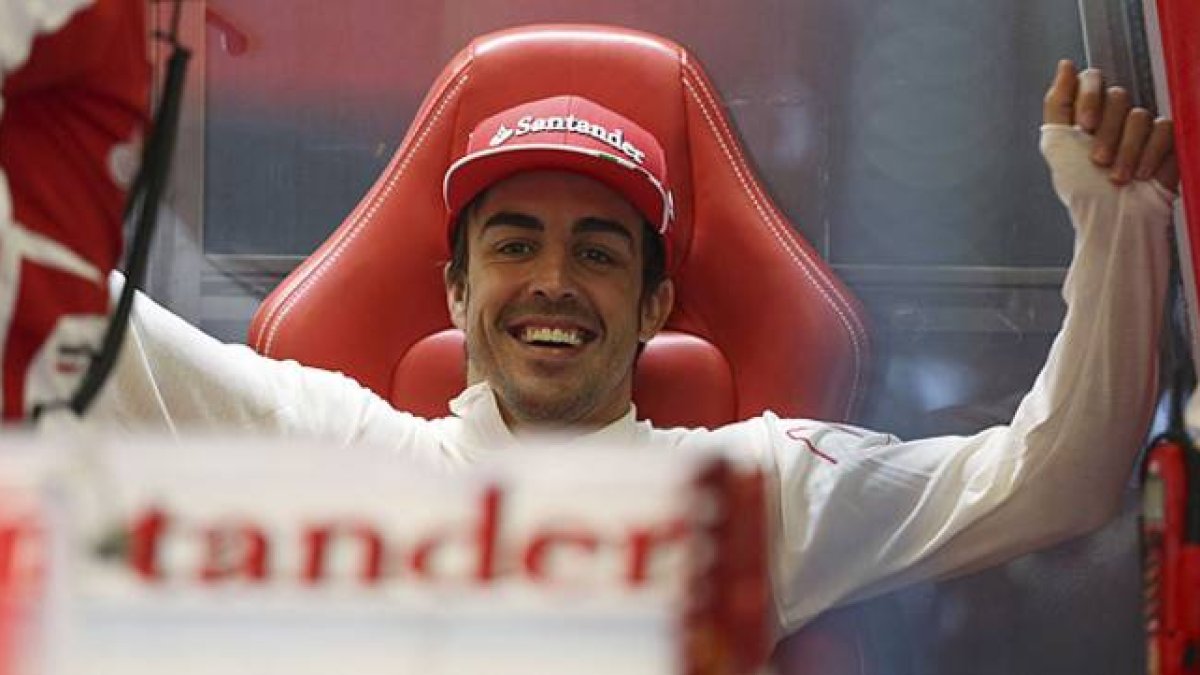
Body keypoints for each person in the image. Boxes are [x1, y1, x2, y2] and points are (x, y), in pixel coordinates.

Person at [28, 59, 1179, 637]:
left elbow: (1057, 483)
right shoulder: (337, 445)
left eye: (599, 254)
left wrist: (1118, 223)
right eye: (514, 246)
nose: (552, 284)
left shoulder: (750, 492)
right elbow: (59, 302)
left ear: (654, 306)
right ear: (454, 292)